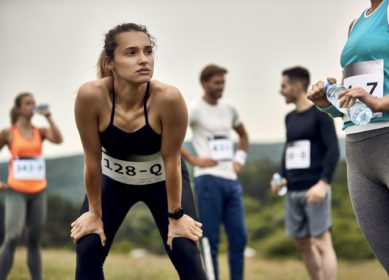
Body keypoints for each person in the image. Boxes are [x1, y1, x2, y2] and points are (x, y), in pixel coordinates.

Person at [70, 23, 207, 280]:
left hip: (164, 180)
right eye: (131, 53)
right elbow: (91, 160)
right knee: (88, 245)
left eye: (148, 51)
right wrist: (94, 214)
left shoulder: (168, 98)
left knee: (184, 247)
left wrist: (176, 217)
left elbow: (172, 162)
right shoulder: (91, 96)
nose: (143, 60)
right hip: (114, 180)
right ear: (110, 62)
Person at [307, 0, 389, 278]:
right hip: (358, 152)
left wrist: (381, 103)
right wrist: (327, 103)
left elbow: (376, 100)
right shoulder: (355, 25)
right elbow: (358, 103)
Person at [180, 64, 249, 280]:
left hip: (231, 179)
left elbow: (243, 136)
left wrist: (239, 159)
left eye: (223, 83)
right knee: (211, 237)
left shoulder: (229, 108)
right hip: (208, 179)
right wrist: (192, 159)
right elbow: (172, 135)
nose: (221, 87)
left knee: (239, 237)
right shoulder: (194, 109)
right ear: (204, 83)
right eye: (217, 83)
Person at [271, 67, 339, 280]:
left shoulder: (321, 115)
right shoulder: (289, 118)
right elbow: (289, 148)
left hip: (315, 189)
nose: (281, 91)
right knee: (301, 242)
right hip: (292, 189)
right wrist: (281, 176)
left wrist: (324, 183)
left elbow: (333, 150)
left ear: (296, 86)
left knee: (321, 242)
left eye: (284, 86)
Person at [0, 93, 63, 280]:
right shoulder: (8, 133)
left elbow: (58, 140)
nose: (32, 106)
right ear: (19, 108)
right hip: (16, 191)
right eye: (28, 103)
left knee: (34, 239)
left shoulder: (40, 131)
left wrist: (49, 117)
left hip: (38, 192)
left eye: (34, 103)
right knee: (13, 236)